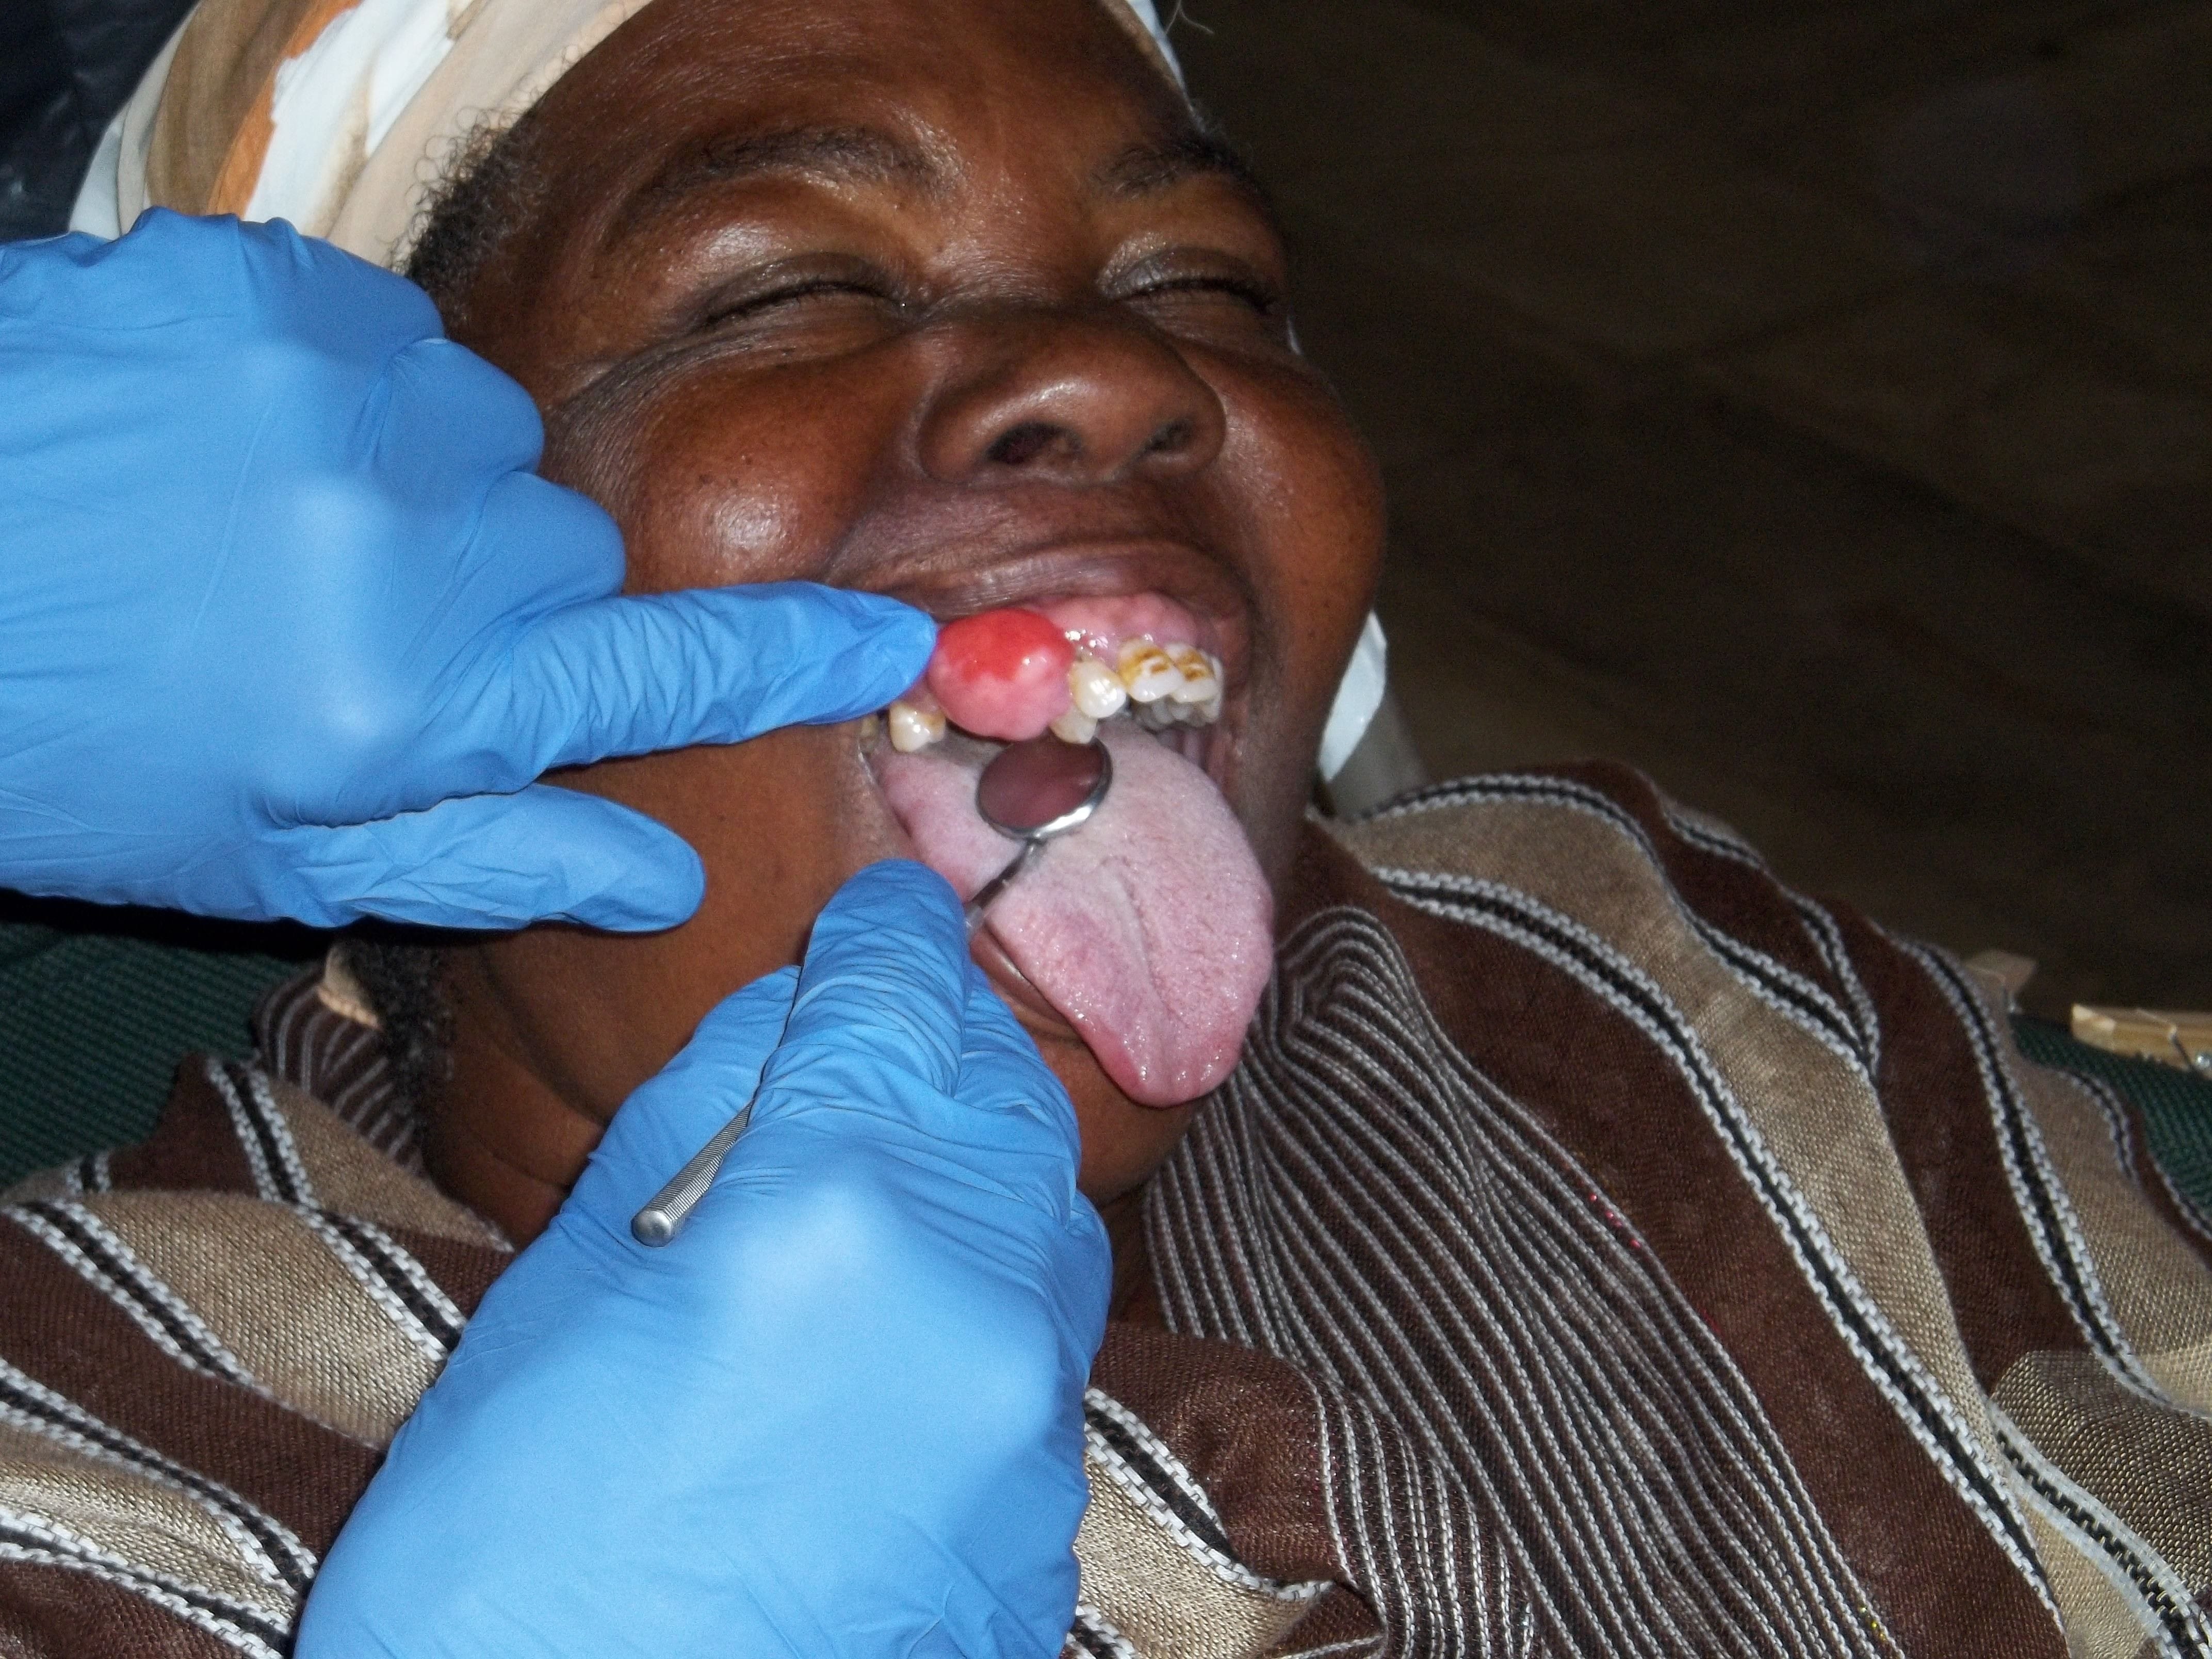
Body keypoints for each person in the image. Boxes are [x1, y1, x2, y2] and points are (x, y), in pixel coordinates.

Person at [5, 1, 2210, 1657]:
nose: (1116, 374)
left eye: (1208, 293)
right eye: (787, 289)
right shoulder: (79, 1449)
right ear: (344, 622)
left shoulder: (1627, 978)